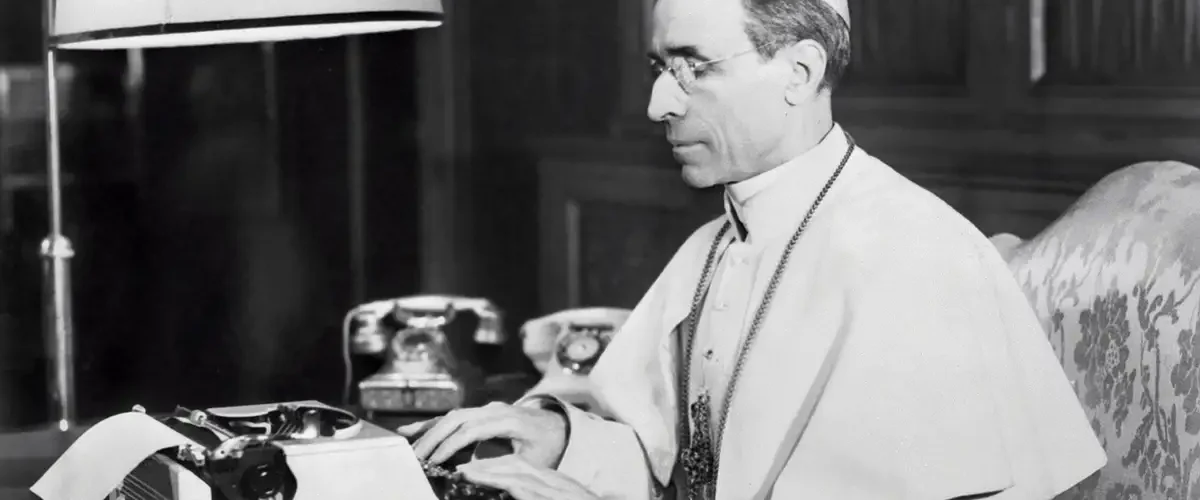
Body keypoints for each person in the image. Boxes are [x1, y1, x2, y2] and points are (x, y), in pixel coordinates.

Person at [400, 0, 1108, 498]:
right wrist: (558, 439)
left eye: (694, 67)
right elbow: (694, 469)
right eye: (659, 66)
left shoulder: (911, 258)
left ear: (799, 72)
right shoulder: (717, 241)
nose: (658, 104)